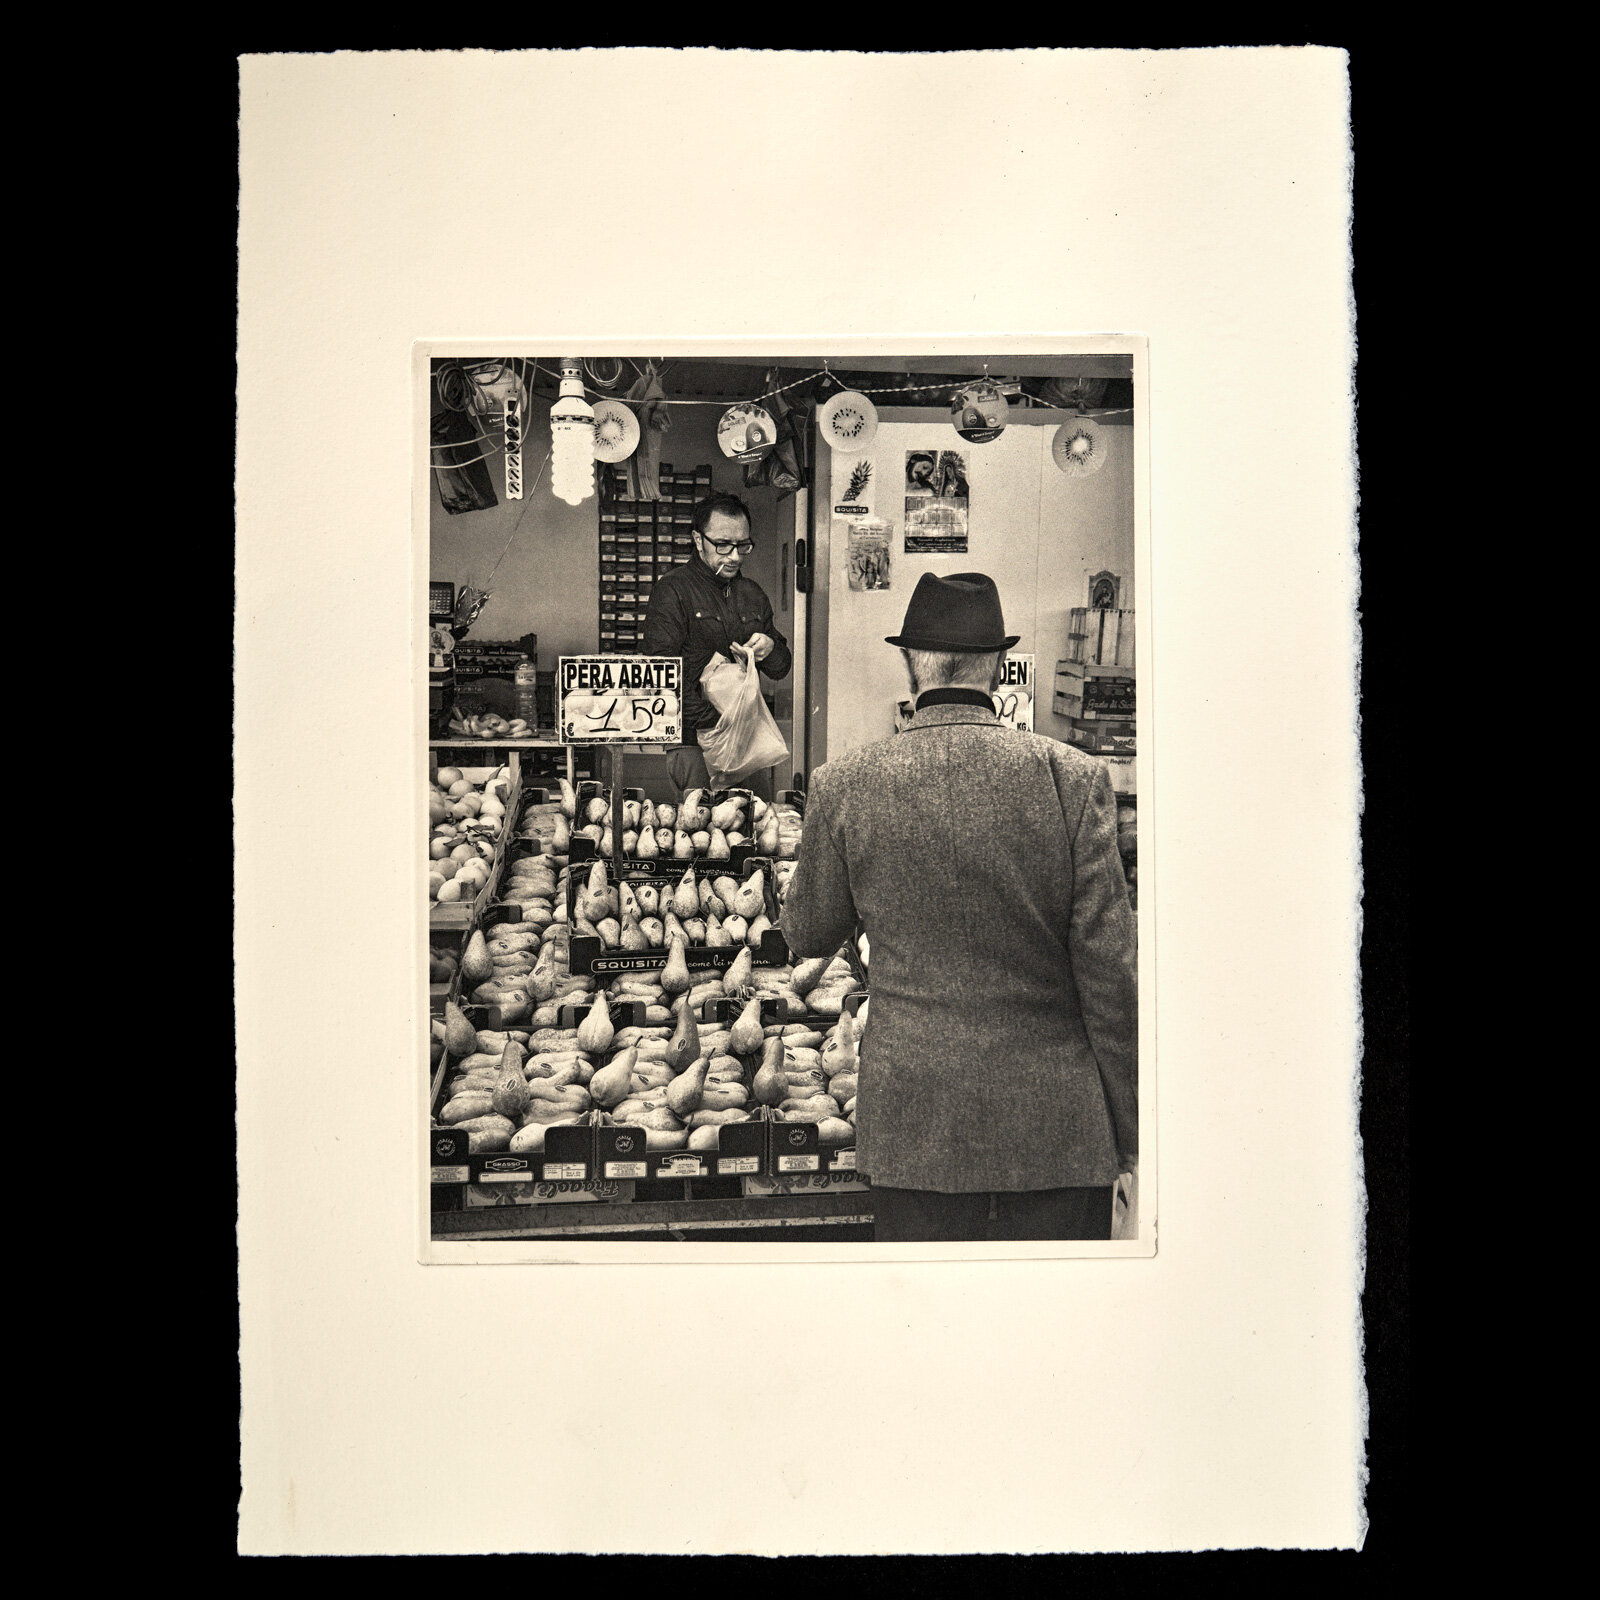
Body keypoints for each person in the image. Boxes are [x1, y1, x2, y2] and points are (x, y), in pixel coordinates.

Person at [780, 571, 1137, 1242]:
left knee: (930, 1338)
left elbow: (808, 930)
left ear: (910, 662)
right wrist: (1133, 1132)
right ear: (999, 665)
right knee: (1055, 1338)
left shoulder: (844, 783)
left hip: (916, 1128)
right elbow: (1110, 978)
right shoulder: (1075, 777)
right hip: (1057, 1131)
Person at [642, 492, 792, 796]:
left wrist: (770, 647)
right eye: (723, 545)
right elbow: (661, 675)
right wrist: (718, 722)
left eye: (742, 546)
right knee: (702, 832)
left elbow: (781, 668)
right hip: (693, 742)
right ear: (698, 540)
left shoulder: (752, 594)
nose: (734, 556)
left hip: (747, 743)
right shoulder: (672, 591)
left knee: (754, 827)